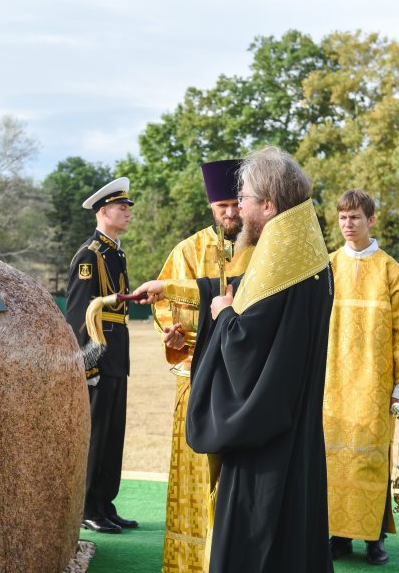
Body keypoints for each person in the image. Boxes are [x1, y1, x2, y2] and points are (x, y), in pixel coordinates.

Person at [134, 146, 334, 572]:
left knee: (254, 540)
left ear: (268, 204)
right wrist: (173, 288)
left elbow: (246, 343)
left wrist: (223, 316)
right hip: (293, 426)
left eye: (243, 198)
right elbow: (245, 289)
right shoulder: (301, 248)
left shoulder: (284, 256)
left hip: (266, 440)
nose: (238, 207)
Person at [153, 159, 248, 572]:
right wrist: (173, 336)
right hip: (196, 380)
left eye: (235, 204)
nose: (229, 213)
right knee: (194, 474)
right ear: (211, 206)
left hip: (246, 382)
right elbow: (167, 308)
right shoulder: (187, 251)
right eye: (222, 205)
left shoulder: (262, 252)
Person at [324, 189, 399, 566]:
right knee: (332, 462)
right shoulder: (327, 266)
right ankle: (337, 535)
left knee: (370, 460)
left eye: (355, 218)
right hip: (331, 384)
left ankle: (374, 538)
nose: (348, 225)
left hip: (374, 386)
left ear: (371, 220)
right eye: (342, 218)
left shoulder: (391, 271)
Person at [65, 176, 138, 534]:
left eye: (127, 209)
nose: (127, 214)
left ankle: (105, 502)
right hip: (98, 356)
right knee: (96, 434)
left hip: (116, 353)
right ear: (103, 211)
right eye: (122, 208)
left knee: (113, 432)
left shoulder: (115, 251)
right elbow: (78, 314)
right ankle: (87, 506)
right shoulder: (89, 255)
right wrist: (86, 363)